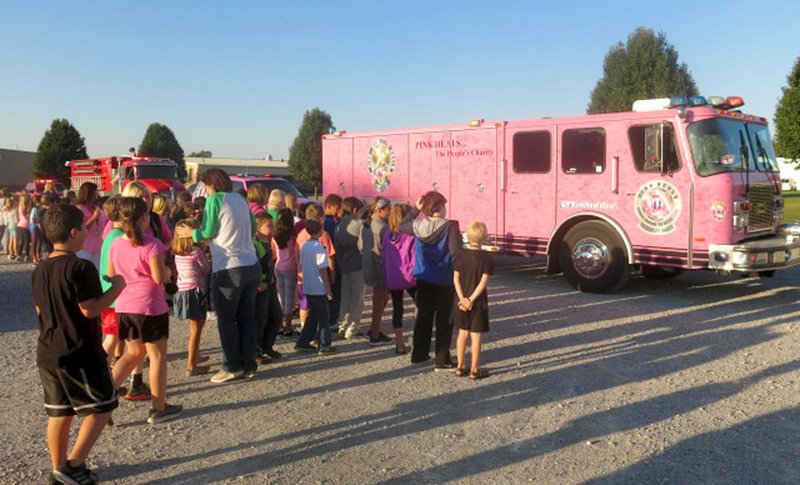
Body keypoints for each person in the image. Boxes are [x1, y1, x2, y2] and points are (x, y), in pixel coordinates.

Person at [32, 203, 126, 485]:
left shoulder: (40, 268)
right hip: (79, 350)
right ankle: (72, 465)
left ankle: (57, 468)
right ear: (74, 233)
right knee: (102, 406)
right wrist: (118, 286)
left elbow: (40, 310)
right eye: (84, 227)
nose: (87, 232)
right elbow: (91, 309)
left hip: (48, 350)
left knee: (60, 411)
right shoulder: (80, 266)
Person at [176, 169, 260, 384]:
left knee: (227, 320)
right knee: (247, 318)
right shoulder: (241, 199)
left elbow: (208, 230)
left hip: (228, 267)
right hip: (251, 263)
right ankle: (249, 364)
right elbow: (253, 227)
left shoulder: (215, 199)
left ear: (211, 185)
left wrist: (191, 234)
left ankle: (231, 366)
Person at [108, 197, 182, 424]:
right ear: (143, 218)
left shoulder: (115, 244)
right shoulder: (152, 245)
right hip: (150, 305)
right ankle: (158, 407)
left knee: (132, 353)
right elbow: (159, 277)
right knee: (157, 355)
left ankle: (103, 401)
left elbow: (112, 275)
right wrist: (169, 272)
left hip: (125, 305)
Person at [400, 191, 461, 371]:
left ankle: (419, 354)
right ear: (440, 206)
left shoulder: (418, 226)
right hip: (444, 279)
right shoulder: (450, 227)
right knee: (444, 320)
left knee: (423, 317)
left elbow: (401, 225)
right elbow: (456, 253)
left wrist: (415, 210)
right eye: (444, 205)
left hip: (423, 278)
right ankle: (442, 359)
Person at [453, 221, 494, 380]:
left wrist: (463, 298)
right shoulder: (486, 258)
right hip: (477, 303)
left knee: (462, 334)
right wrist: (471, 299)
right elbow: (483, 283)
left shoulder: (459, 256)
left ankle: (460, 366)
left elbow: (455, 279)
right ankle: (474, 369)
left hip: (460, 301)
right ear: (484, 237)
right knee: (476, 336)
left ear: (467, 236)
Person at [172, 218, 212, 377]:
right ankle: (191, 365)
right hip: (195, 291)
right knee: (196, 329)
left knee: (194, 327)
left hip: (182, 291)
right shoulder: (196, 251)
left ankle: (195, 355)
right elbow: (206, 269)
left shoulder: (177, 252)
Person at [294, 217, 335, 355]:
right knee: (324, 318)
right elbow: (323, 269)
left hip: (308, 286)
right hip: (319, 287)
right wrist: (328, 288)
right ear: (320, 231)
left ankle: (303, 341)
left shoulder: (305, 246)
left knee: (313, 316)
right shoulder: (318, 247)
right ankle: (324, 344)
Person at [382, 203, 416, 354]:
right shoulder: (410, 236)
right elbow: (415, 257)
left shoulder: (387, 236)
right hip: (410, 277)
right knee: (420, 305)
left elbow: (383, 256)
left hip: (394, 277)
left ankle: (400, 343)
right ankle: (418, 338)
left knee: (397, 309)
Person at [361, 196, 392, 346]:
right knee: (379, 299)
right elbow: (387, 250)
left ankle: (375, 328)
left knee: (381, 298)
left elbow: (359, 245)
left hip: (367, 263)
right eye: (388, 210)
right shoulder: (382, 227)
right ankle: (375, 334)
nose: (390, 213)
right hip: (379, 266)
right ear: (380, 210)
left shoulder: (366, 223)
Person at [98, 196, 125, 369]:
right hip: (115, 297)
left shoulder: (110, 235)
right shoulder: (120, 237)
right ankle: (100, 374)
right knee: (111, 338)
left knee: (112, 337)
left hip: (108, 293)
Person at [253, 212, 283, 363]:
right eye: (269, 226)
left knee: (277, 316)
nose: (272, 228)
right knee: (260, 319)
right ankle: (256, 350)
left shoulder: (269, 241)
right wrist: (258, 282)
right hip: (260, 286)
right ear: (258, 227)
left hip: (270, 284)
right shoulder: (254, 243)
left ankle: (267, 345)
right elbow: (254, 265)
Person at [334, 197, 365, 340]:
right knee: (357, 298)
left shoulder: (339, 226)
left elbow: (337, 250)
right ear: (354, 210)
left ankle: (342, 325)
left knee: (345, 297)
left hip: (344, 264)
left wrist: (340, 264)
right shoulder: (358, 224)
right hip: (358, 265)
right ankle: (352, 328)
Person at [273, 208, 299, 337]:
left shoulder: (275, 235)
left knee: (281, 297)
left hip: (278, 266)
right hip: (290, 267)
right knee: (289, 298)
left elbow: (273, 253)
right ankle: (288, 326)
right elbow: (295, 253)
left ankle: (279, 325)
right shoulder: (293, 236)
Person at [323, 194, 343, 332]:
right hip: (332, 262)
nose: (339, 211)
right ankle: (332, 320)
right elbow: (332, 247)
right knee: (334, 291)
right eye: (337, 208)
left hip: (324, 263)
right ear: (329, 206)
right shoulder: (330, 224)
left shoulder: (326, 222)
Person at [75, 183, 105, 268]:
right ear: (89, 193)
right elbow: (81, 228)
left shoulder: (96, 207)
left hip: (98, 247)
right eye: (96, 191)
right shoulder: (79, 209)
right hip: (85, 248)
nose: (97, 193)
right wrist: (93, 217)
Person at [17, 192, 33, 262]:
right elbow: (27, 217)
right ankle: (27, 255)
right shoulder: (26, 208)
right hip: (26, 225)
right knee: (27, 241)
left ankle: (19, 255)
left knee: (21, 241)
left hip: (20, 225)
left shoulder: (20, 206)